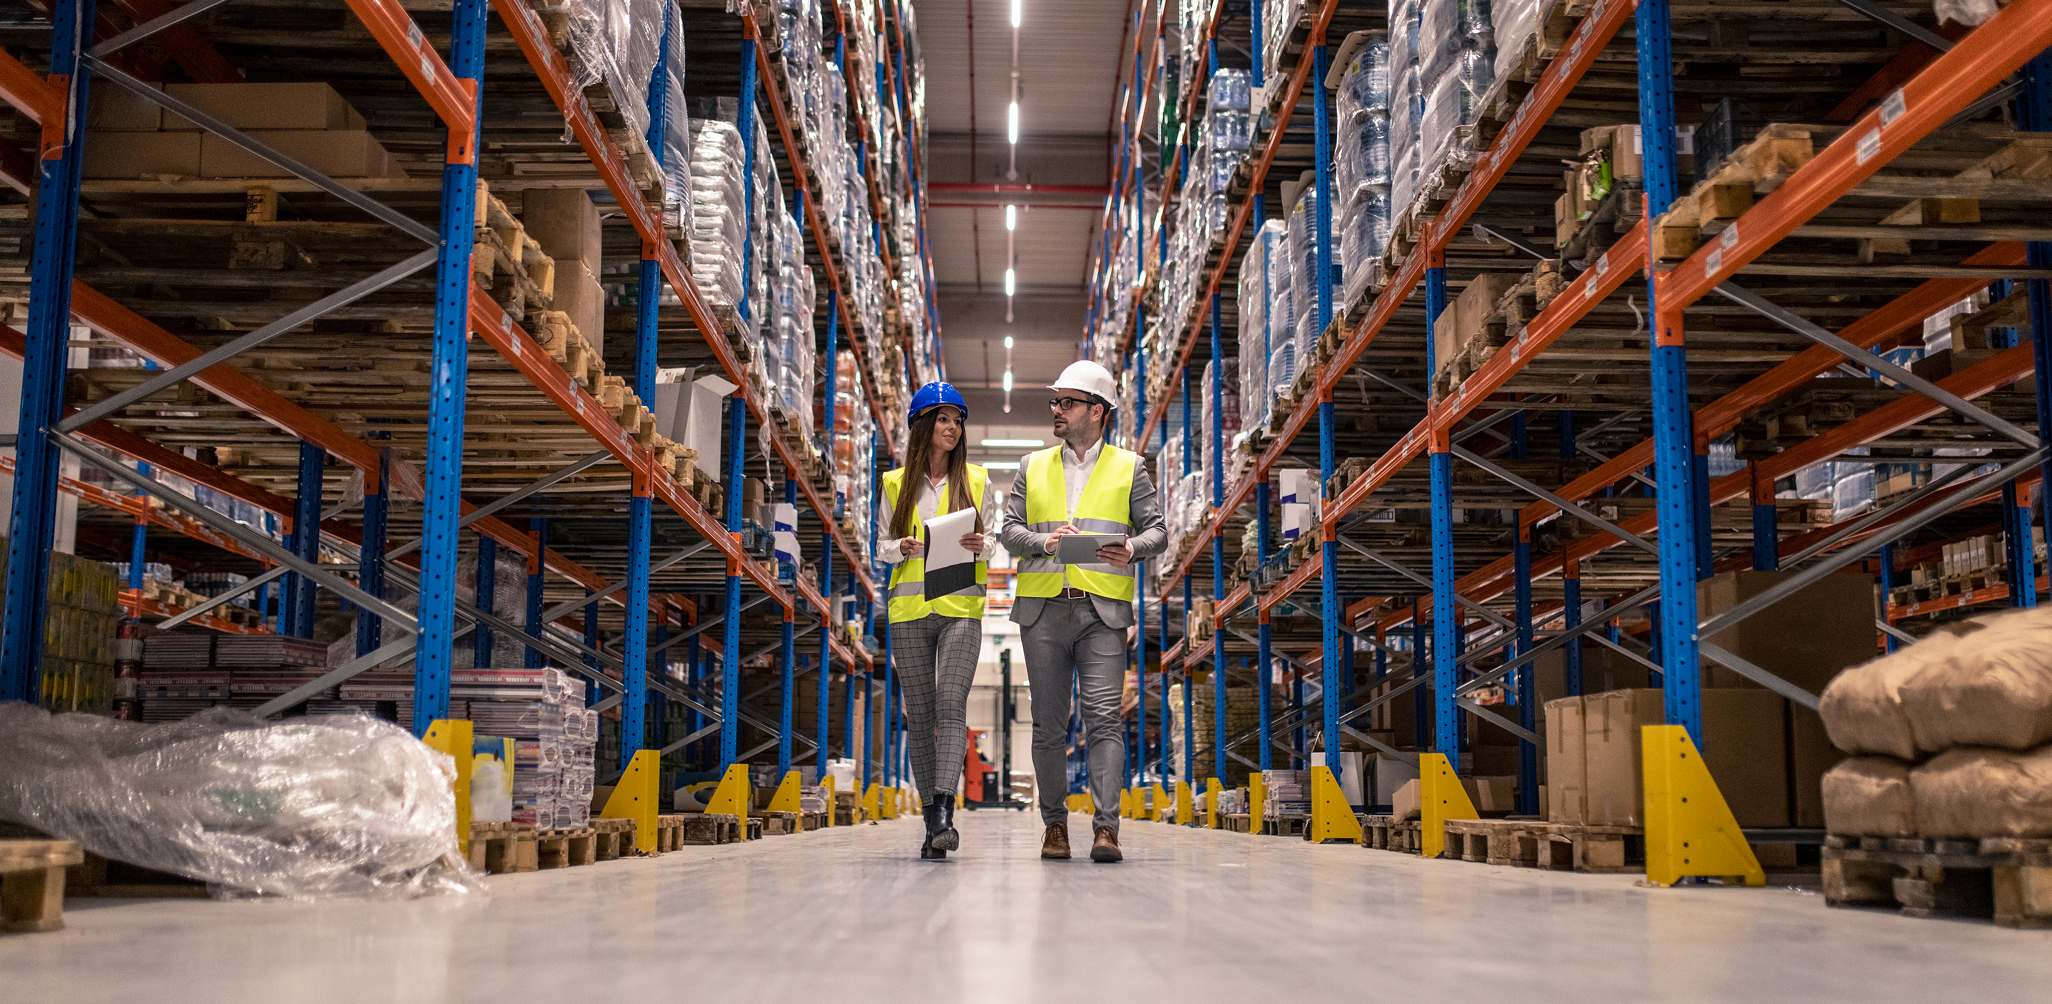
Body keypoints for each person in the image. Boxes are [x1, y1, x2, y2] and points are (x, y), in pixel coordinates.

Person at [999, 360, 1167, 863]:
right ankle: (1054, 828)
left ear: (1097, 411)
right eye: (1055, 402)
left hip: (1103, 614)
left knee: (1102, 721)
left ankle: (1105, 830)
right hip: (1043, 610)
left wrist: (1132, 549)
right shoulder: (1031, 466)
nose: (1056, 409)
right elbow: (1007, 530)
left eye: (1066, 402)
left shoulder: (1129, 467)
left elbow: (1157, 531)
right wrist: (1045, 541)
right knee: (1049, 725)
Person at [878, 381, 996, 860]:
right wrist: (899, 548)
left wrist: (980, 546)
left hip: (960, 609)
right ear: (923, 425)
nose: (953, 427)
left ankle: (945, 812)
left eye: (958, 420)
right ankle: (931, 822)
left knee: (951, 703)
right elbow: (881, 548)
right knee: (920, 715)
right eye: (944, 418)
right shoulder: (894, 483)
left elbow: (991, 542)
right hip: (908, 614)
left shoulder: (979, 480)